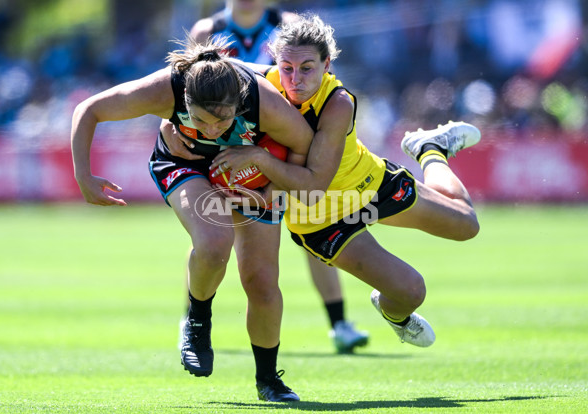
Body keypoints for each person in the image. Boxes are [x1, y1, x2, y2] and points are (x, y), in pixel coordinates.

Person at [167, 13, 481, 348]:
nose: (295, 79)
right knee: (411, 291)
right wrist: (171, 126)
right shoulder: (256, 88)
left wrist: (260, 159)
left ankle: (430, 150)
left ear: (326, 64)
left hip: (369, 185)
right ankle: (395, 314)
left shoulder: (338, 103)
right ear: (275, 62)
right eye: (287, 68)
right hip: (321, 221)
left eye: (307, 68)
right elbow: (194, 91)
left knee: (467, 226)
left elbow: (313, 182)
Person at [70, 36, 315, 402]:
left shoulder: (263, 102)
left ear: (239, 103)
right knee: (215, 242)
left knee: (262, 282)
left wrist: (276, 189)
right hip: (184, 165)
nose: (211, 131)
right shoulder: (164, 89)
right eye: (199, 120)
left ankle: (269, 381)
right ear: (183, 102)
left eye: (222, 121)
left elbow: (304, 143)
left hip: (250, 170)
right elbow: (88, 109)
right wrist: (83, 176)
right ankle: (198, 320)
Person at [183, 0, 369, 354]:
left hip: (288, 147)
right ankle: (190, 322)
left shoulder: (290, 25)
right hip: (228, 152)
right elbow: (188, 89)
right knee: (209, 237)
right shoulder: (206, 31)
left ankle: (339, 324)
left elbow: (315, 81)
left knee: (315, 229)